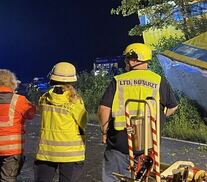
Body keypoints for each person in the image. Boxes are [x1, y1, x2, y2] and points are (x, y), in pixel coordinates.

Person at [98, 43, 178, 182]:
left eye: (126, 60)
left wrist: (105, 132)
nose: (125, 63)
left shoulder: (119, 81)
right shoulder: (158, 81)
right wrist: (158, 120)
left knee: (115, 177)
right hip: (148, 142)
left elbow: (104, 109)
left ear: (133, 60)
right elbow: (173, 107)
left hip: (120, 141)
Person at [34, 62, 87, 182]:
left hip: (46, 152)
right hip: (71, 154)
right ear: (73, 81)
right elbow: (83, 123)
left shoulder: (44, 98)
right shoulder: (75, 101)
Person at [0, 70, 35, 182]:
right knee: (7, 179)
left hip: (11, 150)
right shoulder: (19, 100)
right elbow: (31, 113)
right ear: (12, 82)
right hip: (11, 150)